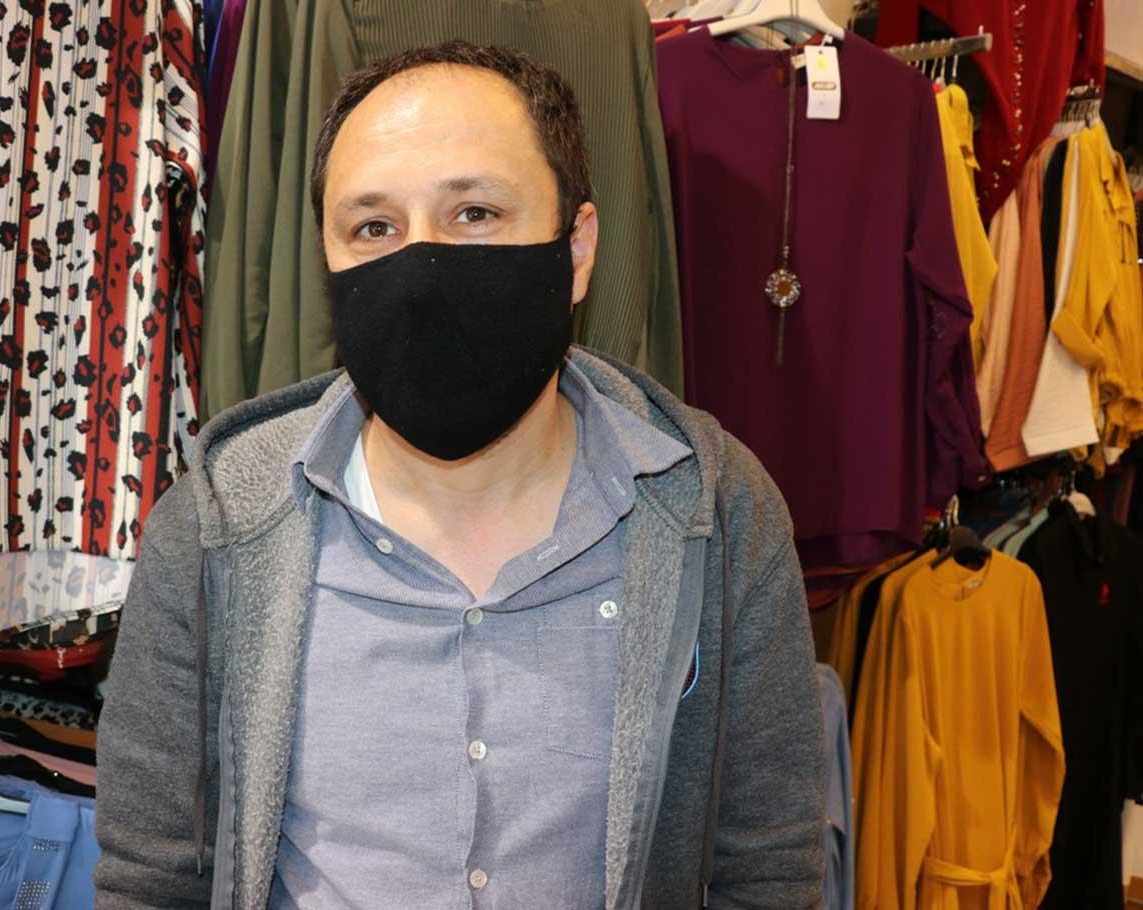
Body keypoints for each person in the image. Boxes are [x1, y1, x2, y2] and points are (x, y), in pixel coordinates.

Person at [94, 40, 824, 910]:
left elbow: (766, 871)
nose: (421, 271)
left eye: (475, 213)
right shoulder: (219, 523)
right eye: (374, 227)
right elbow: (151, 875)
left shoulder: (717, 511)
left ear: (577, 247)